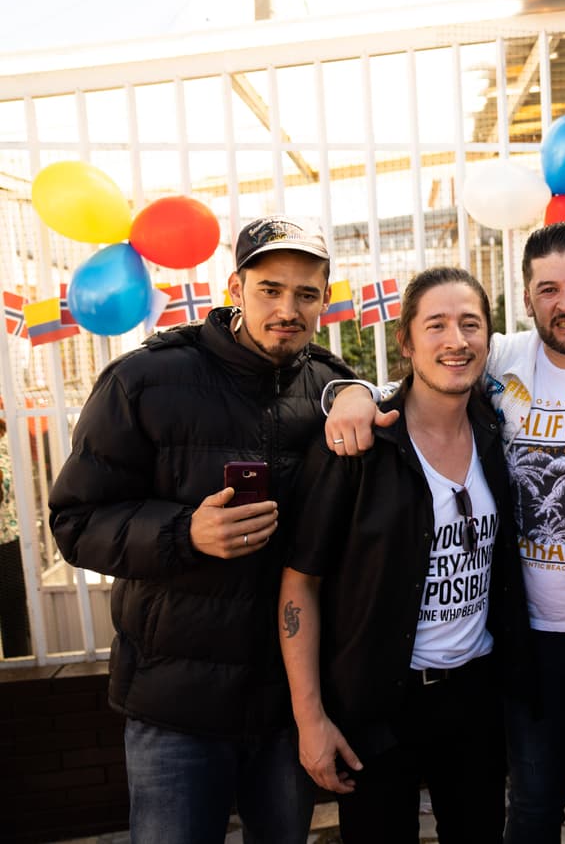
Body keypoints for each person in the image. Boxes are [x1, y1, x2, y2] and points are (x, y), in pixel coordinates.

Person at [322, 221, 565, 842]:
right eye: (548, 289)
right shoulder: (500, 358)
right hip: (531, 638)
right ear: (525, 299)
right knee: (535, 803)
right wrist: (352, 392)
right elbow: (422, 376)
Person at [48, 216, 351, 844]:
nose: (288, 309)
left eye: (306, 294)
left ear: (325, 298)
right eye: (270, 289)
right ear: (235, 288)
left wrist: (358, 393)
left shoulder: (330, 386)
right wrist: (185, 533)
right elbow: (75, 522)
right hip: (174, 708)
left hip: (286, 705)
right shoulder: (145, 380)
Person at [278, 267, 530, 843]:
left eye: (470, 324)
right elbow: (300, 584)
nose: (456, 340)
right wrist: (310, 718)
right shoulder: (360, 445)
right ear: (406, 342)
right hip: (379, 703)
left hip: (474, 696)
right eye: (435, 324)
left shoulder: (494, 433)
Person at [0, 418, 31, 658]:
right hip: (8, 539)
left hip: (7, 541)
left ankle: (20, 666)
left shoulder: (6, 443)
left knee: (14, 614)